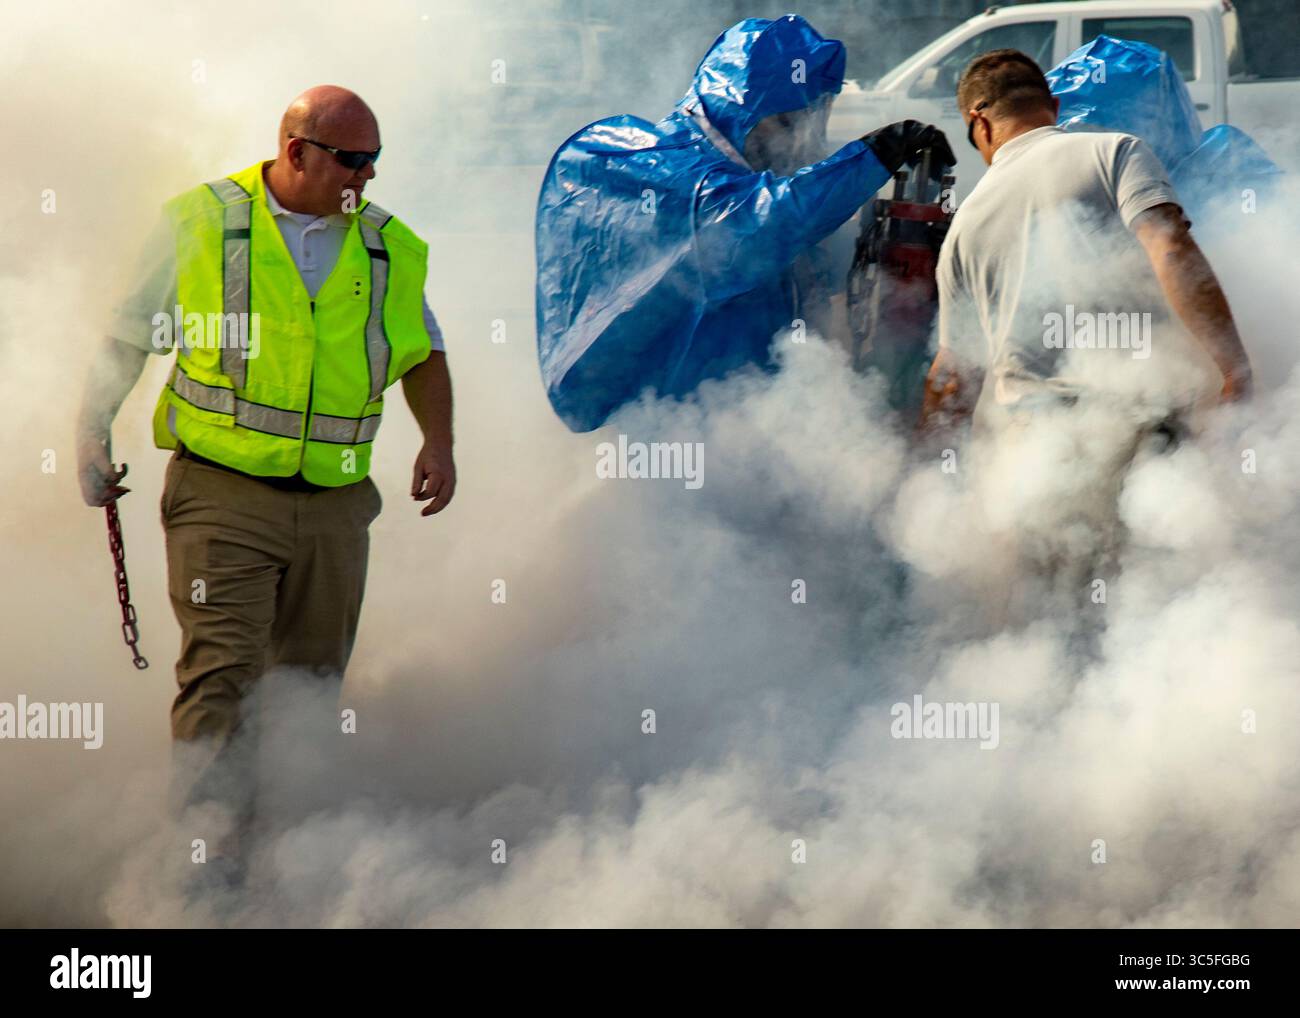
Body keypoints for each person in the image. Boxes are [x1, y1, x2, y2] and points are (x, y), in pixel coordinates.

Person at [75, 85, 455, 882]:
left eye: (376, 162)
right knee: (223, 672)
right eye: (354, 160)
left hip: (337, 506)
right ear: (296, 152)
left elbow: (422, 352)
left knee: (308, 690)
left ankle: (287, 857)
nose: (368, 177)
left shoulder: (389, 247)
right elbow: (129, 330)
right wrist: (89, 429)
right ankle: (204, 868)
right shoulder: (201, 220)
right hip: (222, 495)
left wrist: (439, 441)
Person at [535, 14, 955, 432]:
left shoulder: (751, 181)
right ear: (741, 108)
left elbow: (806, 260)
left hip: (735, 418)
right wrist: (876, 155)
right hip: (656, 420)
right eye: (788, 122)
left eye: (811, 120)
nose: (799, 140)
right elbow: (754, 228)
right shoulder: (644, 164)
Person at [919, 49, 1252, 433]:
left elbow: (954, 374)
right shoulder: (1114, 152)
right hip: (1139, 420)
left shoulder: (964, 226)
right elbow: (1171, 249)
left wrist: (929, 471)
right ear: (1054, 106)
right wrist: (1234, 367)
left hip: (1035, 449)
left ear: (979, 122)